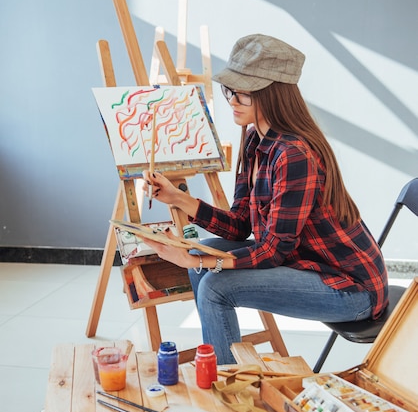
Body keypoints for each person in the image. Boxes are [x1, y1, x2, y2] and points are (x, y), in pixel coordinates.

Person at [142, 34, 388, 365]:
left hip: (351, 288)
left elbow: (274, 250)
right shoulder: (256, 144)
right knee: (202, 256)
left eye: (243, 91)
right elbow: (240, 226)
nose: (233, 99)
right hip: (307, 265)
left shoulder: (293, 154)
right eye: (231, 90)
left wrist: (195, 262)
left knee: (215, 285)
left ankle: (227, 386)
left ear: (271, 94)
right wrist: (178, 199)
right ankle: (223, 370)